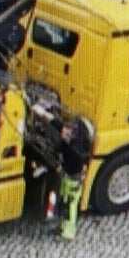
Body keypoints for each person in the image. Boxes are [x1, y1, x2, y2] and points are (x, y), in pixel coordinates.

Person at [31, 102, 94, 240]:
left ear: (72, 135)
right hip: (69, 178)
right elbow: (56, 123)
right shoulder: (75, 142)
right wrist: (41, 112)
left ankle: (68, 232)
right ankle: (60, 224)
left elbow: (63, 158)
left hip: (73, 180)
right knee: (62, 201)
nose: (63, 133)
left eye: (66, 132)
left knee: (70, 207)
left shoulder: (73, 152)